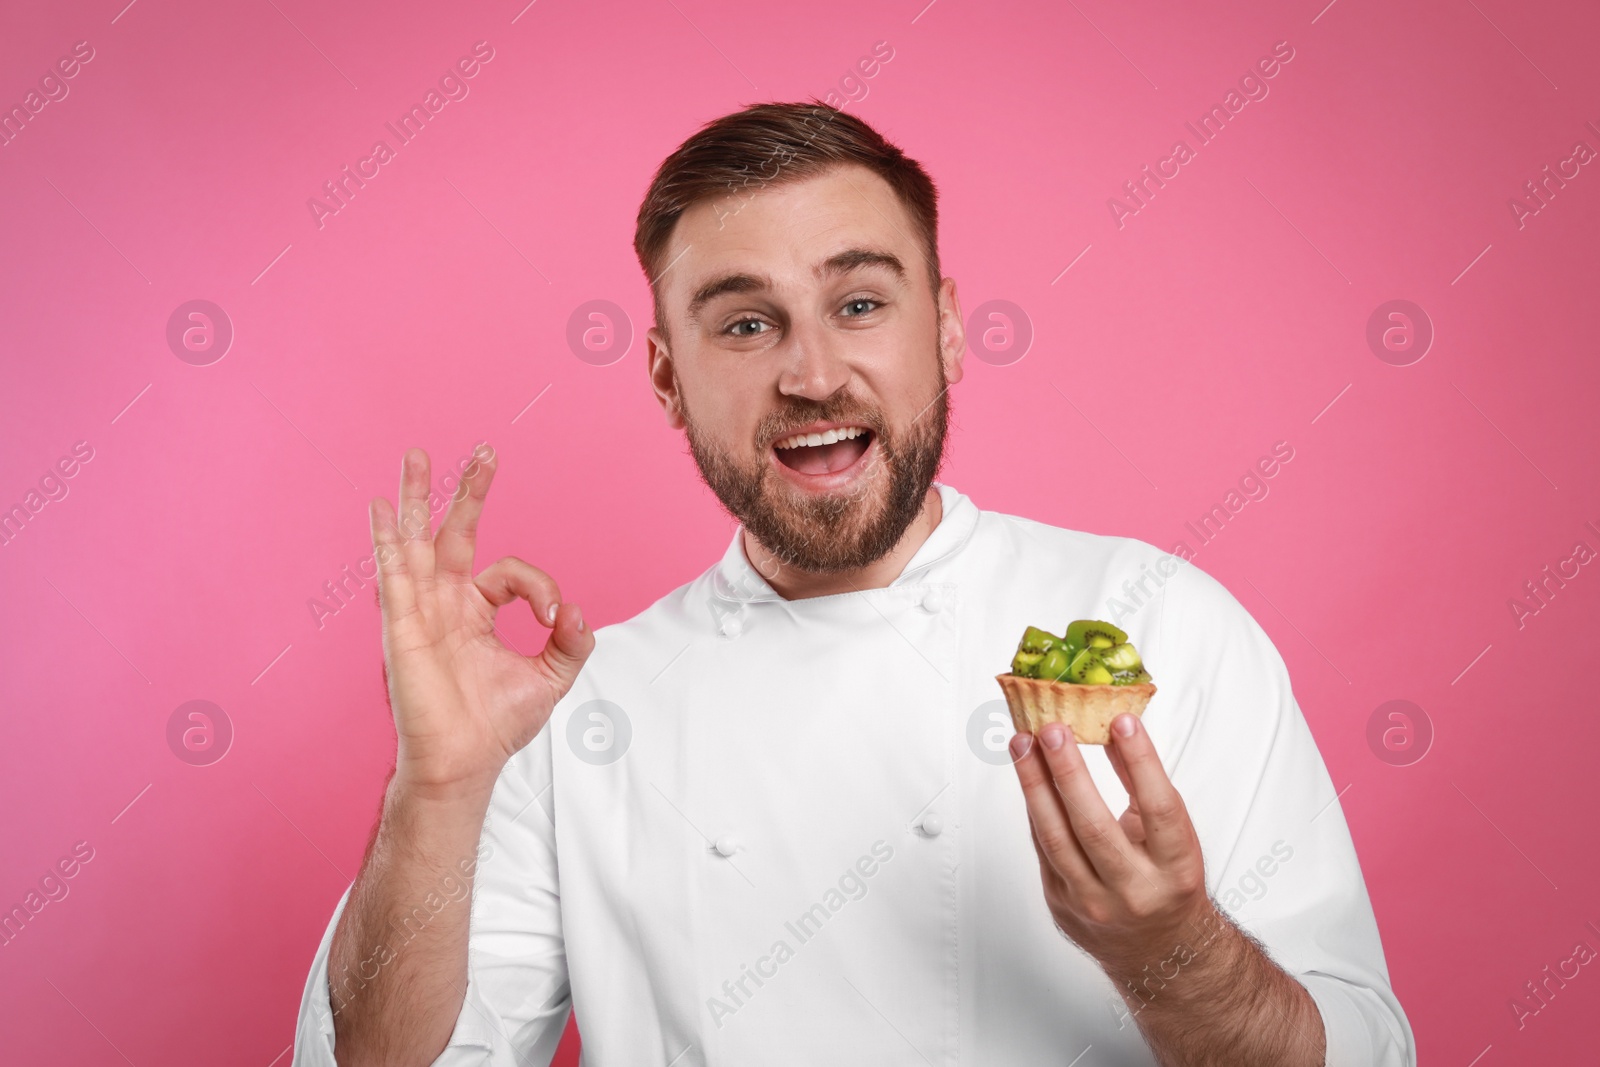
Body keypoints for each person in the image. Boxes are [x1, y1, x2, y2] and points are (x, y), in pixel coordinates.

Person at [292, 101, 1415, 1066]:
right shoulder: (565, 706)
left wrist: (1166, 946)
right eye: (743, 323)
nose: (812, 372)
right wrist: (435, 788)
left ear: (950, 328)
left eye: (861, 303)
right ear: (667, 378)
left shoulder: (1158, 621)